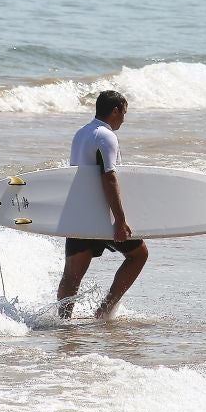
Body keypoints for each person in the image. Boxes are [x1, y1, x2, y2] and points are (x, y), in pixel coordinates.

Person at [57, 91, 150, 319]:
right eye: (124, 113)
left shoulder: (81, 133)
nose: (124, 119)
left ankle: (61, 322)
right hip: (101, 216)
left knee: (72, 276)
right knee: (139, 255)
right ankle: (104, 310)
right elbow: (108, 177)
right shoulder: (105, 136)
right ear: (115, 110)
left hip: (79, 213)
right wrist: (119, 220)